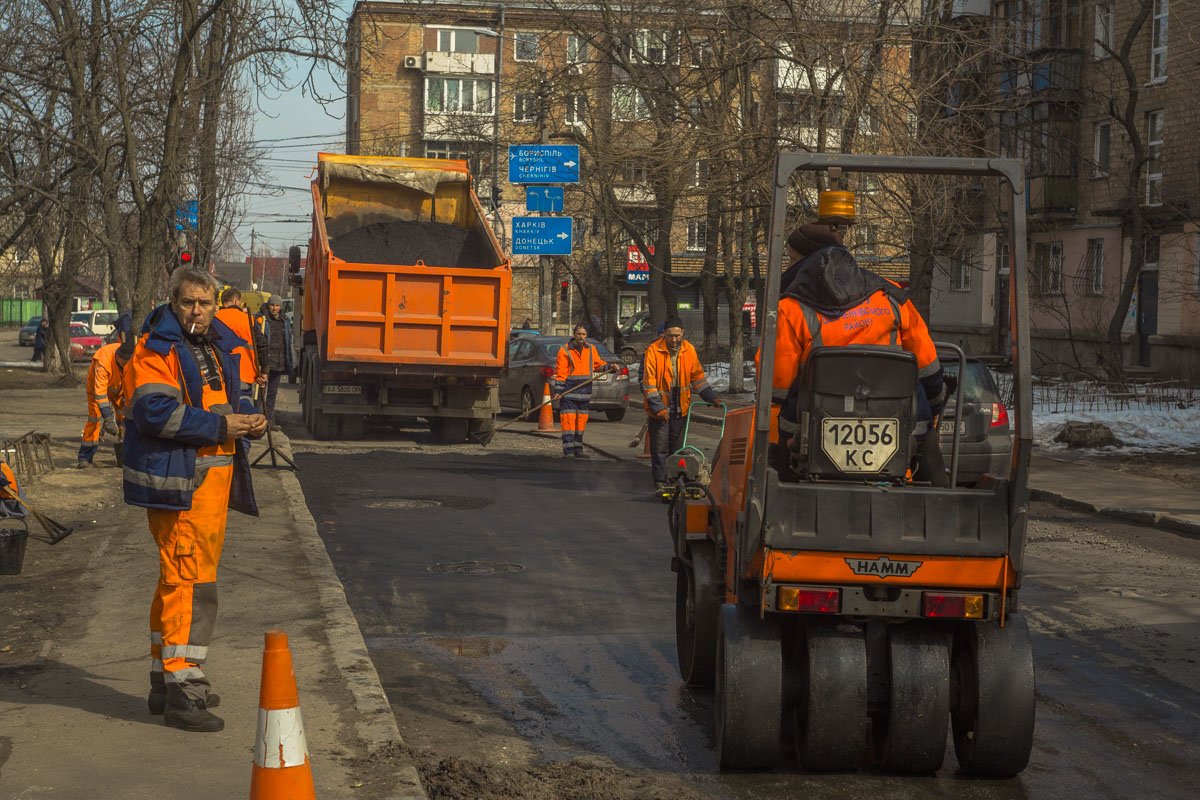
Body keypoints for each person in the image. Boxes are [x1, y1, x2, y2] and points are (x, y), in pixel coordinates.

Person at [123, 266, 265, 732]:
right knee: (185, 582)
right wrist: (224, 427)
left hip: (209, 489)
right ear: (174, 302)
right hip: (180, 488)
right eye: (189, 303)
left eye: (205, 303)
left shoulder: (215, 345)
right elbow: (156, 413)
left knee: (186, 581)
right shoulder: (156, 350)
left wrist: (247, 417)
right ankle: (181, 693)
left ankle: (169, 678)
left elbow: (220, 402)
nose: (198, 312)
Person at [770, 224, 948, 485]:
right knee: (927, 445)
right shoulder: (890, 295)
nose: (789, 267)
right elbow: (929, 367)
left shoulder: (791, 308)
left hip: (814, 431)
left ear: (810, 260)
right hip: (901, 425)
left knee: (778, 462)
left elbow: (778, 387)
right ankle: (940, 500)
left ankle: (777, 499)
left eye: (793, 260)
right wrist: (933, 407)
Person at [641, 317, 719, 491]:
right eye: (670, 335)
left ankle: (675, 479)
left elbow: (697, 377)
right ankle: (661, 482)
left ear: (683, 333)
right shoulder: (653, 351)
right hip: (659, 408)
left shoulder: (689, 350)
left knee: (677, 448)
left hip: (680, 406)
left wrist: (711, 397)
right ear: (665, 335)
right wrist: (659, 408)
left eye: (677, 335)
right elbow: (649, 383)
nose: (674, 339)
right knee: (660, 448)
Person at [552, 324, 614, 457]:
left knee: (581, 422)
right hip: (569, 392)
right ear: (574, 335)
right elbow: (561, 372)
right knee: (568, 422)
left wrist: (610, 367)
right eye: (579, 334)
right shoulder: (565, 351)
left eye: (584, 334)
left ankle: (578, 449)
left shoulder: (591, 349)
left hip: (585, 393)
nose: (581, 337)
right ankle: (568, 450)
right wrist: (558, 390)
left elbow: (598, 364)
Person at [76, 339, 134, 468]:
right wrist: (108, 419)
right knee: (94, 419)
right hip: (96, 390)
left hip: (119, 390)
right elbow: (101, 394)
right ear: (119, 358)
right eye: (126, 363)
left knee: (124, 419)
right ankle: (85, 457)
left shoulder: (131, 358)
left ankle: (125, 451)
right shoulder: (103, 361)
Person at [214, 287, 267, 396]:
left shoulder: (214, 319)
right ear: (236, 301)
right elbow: (262, 345)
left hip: (218, 375)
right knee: (244, 408)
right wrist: (264, 371)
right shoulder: (248, 319)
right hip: (244, 375)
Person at [259, 294, 293, 430]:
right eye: (272, 305)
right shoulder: (261, 319)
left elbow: (287, 342)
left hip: (278, 362)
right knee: (260, 394)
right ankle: (259, 420)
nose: (275, 308)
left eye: (277, 305)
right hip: (265, 362)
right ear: (268, 305)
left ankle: (270, 421)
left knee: (272, 394)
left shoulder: (284, 320)